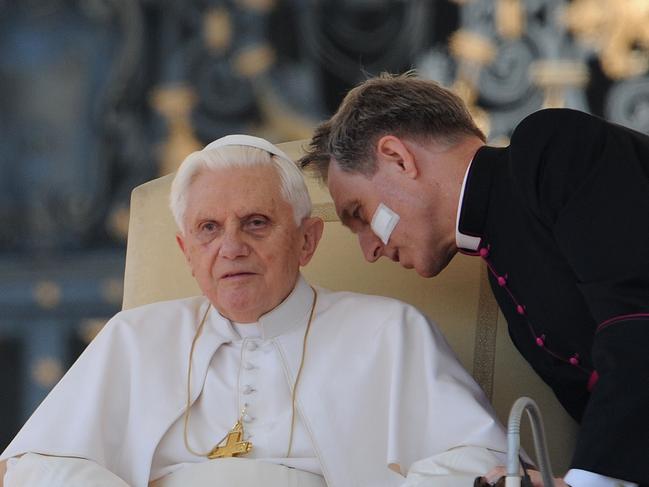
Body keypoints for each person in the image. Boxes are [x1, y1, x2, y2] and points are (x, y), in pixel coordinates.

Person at [0, 135, 510, 487]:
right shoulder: (134, 338)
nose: (231, 247)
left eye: (256, 223)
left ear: (307, 241)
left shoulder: (389, 332)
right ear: (186, 253)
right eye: (208, 229)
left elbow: (482, 462)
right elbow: (31, 468)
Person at [298, 73, 649, 487]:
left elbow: (636, 319)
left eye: (359, 214)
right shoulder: (499, 272)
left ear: (397, 157)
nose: (369, 249)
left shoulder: (548, 145)